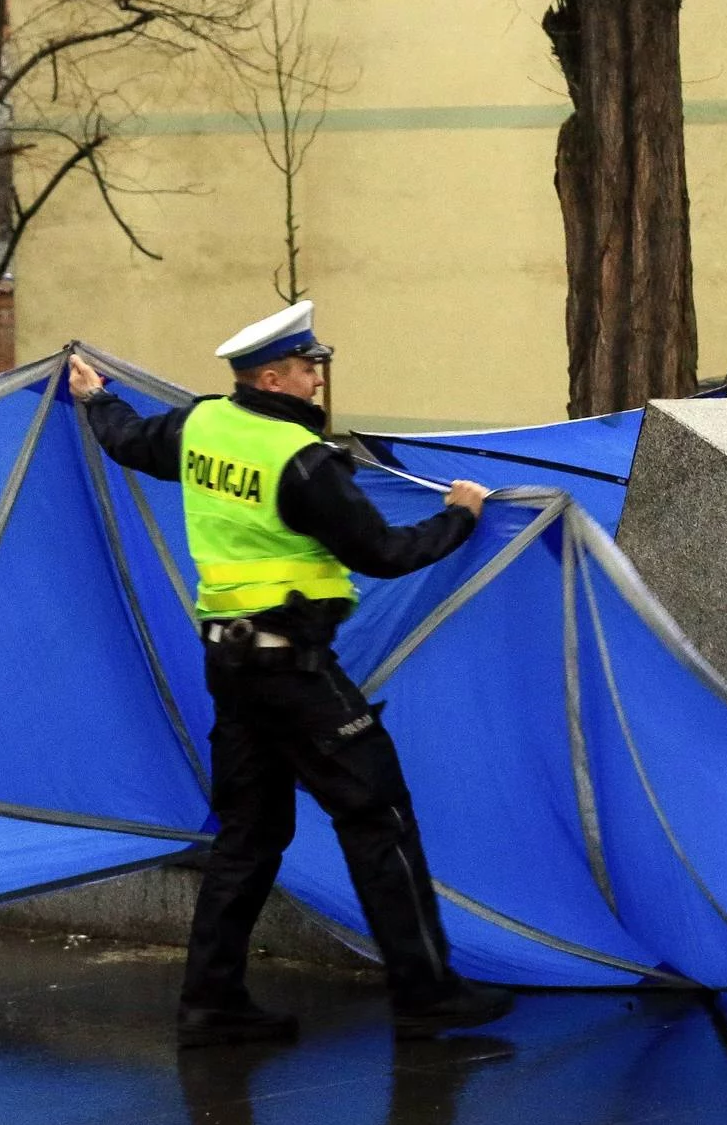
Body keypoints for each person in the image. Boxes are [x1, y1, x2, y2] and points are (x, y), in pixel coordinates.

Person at [68, 301, 514, 1048]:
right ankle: (427, 992)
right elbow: (381, 551)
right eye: (309, 368)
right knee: (377, 814)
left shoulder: (203, 425)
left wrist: (95, 396)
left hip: (231, 665)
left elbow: (128, 442)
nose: (318, 380)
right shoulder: (303, 461)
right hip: (292, 669)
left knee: (249, 830)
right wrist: (461, 518)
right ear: (271, 376)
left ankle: (212, 1005)